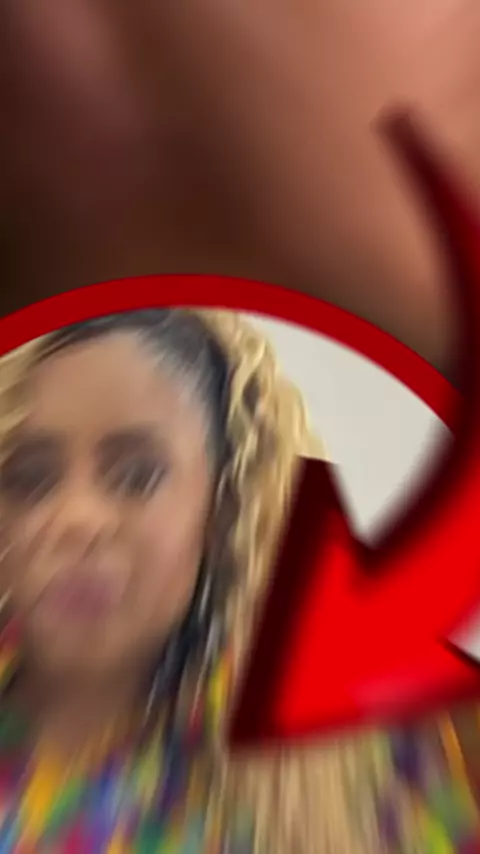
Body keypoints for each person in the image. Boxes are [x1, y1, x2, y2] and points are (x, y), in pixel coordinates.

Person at [0, 308, 383, 853]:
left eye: (137, 476)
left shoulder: (335, 764)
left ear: (224, 511)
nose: (76, 520)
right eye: (30, 477)